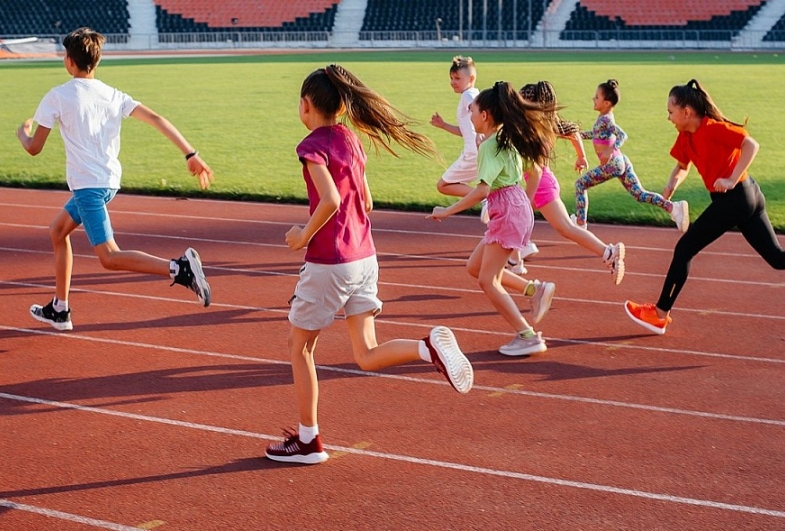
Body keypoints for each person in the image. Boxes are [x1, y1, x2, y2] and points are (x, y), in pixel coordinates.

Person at [265, 64, 474, 465]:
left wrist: (302, 236)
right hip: (364, 257)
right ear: (343, 108)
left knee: (300, 347)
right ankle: (426, 347)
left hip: (330, 261)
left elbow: (331, 201)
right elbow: (367, 202)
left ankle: (308, 440)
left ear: (305, 105)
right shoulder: (352, 140)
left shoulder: (311, 147)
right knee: (366, 352)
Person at [16, 27, 213, 332]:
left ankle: (180, 268)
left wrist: (22, 133)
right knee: (58, 231)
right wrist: (191, 154)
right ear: (96, 61)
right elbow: (156, 119)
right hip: (108, 182)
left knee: (109, 256)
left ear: (69, 61)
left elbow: (34, 148)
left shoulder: (57, 96)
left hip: (88, 187)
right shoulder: (112, 94)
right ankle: (60, 308)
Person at [625, 79, 785, 334]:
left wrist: (731, 179)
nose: (668, 117)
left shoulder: (712, 128)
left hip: (736, 198)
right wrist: (671, 184)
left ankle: (660, 314)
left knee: (684, 249)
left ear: (686, 112)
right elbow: (682, 166)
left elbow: (751, 145)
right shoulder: (686, 136)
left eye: (670, 112)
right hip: (747, 196)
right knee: (777, 258)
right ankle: (660, 313)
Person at [427, 81, 558, 357]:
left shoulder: (490, 146)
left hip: (507, 211)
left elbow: (482, 191)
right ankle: (534, 289)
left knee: (488, 281)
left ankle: (527, 336)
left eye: (472, 111)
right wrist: (524, 204)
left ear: (485, 115)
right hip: (514, 208)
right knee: (475, 267)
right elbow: (534, 171)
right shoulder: (505, 139)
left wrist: (446, 211)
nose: (470, 116)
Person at [517, 81, 626, 284]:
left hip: (541, 187)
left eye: (522, 102)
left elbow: (537, 166)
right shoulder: (545, 124)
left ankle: (608, 252)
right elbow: (573, 132)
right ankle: (517, 254)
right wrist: (581, 156)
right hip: (542, 183)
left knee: (566, 228)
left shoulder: (535, 130)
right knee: (516, 217)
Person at [574, 79, 689, 234]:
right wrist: (575, 135)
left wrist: (611, 149)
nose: (593, 99)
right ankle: (673, 207)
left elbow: (622, 135)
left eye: (597, 97)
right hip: (621, 161)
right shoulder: (603, 118)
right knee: (639, 194)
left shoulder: (606, 119)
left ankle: (580, 224)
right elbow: (595, 134)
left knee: (580, 184)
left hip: (613, 164)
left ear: (606, 103)